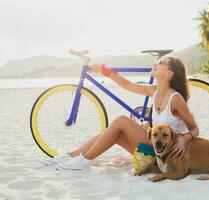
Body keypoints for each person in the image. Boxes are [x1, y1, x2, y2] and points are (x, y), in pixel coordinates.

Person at [46, 55, 200, 170]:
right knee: (113, 133)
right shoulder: (153, 91)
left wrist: (185, 139)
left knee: (121, 121)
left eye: (161, 63)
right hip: (154, 150)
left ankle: (82, 161)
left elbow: (194, 128)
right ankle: (71, 156)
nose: (155, 63)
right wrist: (105, 71)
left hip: (168, 155)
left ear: (170, 73)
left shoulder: (175, 98)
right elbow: (127, 84)